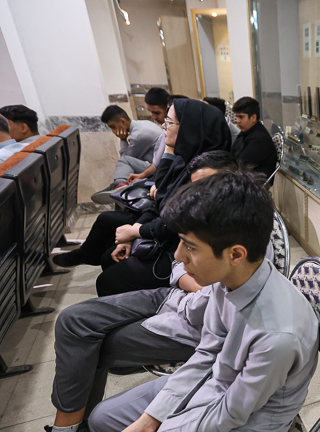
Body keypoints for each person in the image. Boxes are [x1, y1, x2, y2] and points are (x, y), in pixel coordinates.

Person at [85, 171, 319, 432]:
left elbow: (231, 415)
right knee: (102, 418)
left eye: (189, 247)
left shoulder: (277, 334)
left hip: (247, 427)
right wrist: (151, 420)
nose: (179, 256)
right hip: (216, 389)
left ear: (236, 254)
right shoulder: (230, 280)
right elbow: (206, 354)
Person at [53, 99, 232, 294]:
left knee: (108, 280)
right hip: (168, 240)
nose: (163, 126)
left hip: (182, 253)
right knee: (109, 257)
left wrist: (136, 232)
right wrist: (132, 233)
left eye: (169, 122)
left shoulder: (207, 172)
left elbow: (172, 221)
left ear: (190, 128)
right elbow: (160, 202)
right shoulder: (184, 160)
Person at [90, 105, 163, 203]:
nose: (113, 131)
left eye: (113, 127)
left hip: (159, 169)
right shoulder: (143, 124)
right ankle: (119, 185)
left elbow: (125, 160)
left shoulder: (138, 136)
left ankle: (119, 184)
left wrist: (123, 140)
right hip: (157, 165)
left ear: (122, 121)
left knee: (124, 162)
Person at [123, 89, 189, 186]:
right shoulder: (165, 130)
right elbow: (158, 164)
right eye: (150, 112)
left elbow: (162, 175)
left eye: (157, 113)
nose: (153, 117)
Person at [231, 96, 278, 179]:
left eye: (241, 117)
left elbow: (241, 165)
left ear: (253, 118)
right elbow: (233, 154)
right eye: (237, 117)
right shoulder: (246, 131)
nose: (238, 121)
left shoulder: (260, 139)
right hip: (242, 177)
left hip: (253, 182)